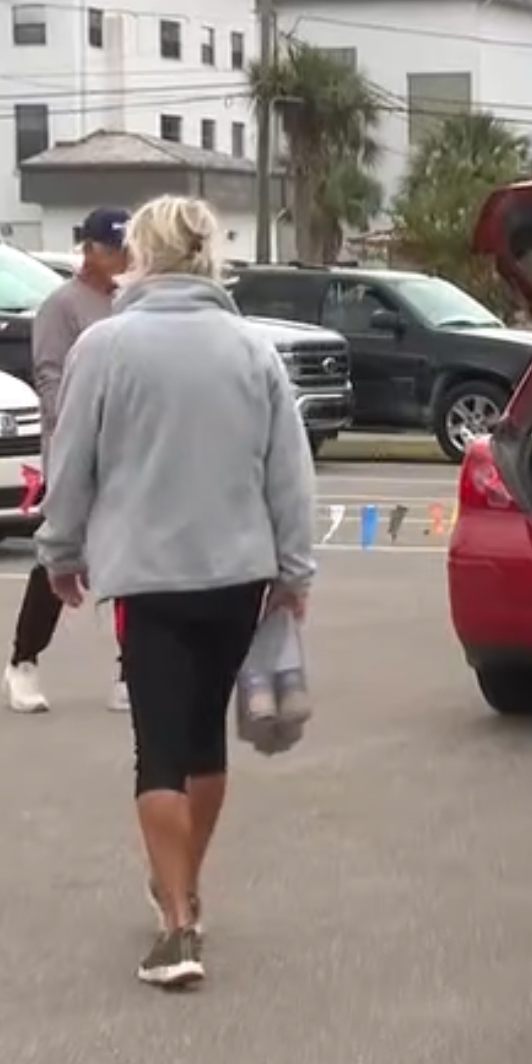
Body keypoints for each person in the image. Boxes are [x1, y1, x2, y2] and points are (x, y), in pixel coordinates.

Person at [37, 195, 317, 988]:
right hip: (237, 573)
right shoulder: (252, 348)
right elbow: (287, 470)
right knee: (203, 736)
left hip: (145, 575)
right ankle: (184, 882)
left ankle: (177, 923)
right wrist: (294, 571)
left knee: (156, 743)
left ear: (140, 254)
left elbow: (73, 461)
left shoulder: (105, 345)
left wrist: (60, 549)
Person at [1, 208, 132, 715]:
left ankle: (131, 669)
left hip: (126, 448)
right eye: (114, 249)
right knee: (59, 555)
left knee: (127, 559)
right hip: (76, 448)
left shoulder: (131, 303)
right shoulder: (62, 306)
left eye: (128, 249)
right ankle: (23, 661)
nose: (124, 259)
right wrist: (79, 428)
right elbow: (50, 376)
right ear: (90, 250)